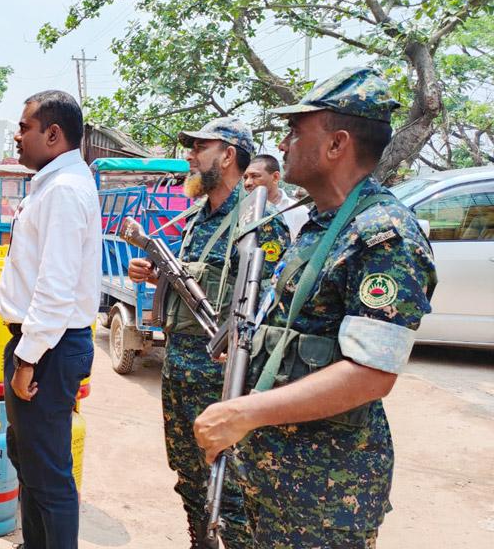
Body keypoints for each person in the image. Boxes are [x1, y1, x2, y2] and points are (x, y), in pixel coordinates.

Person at [194, 67, 438, 548]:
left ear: (336, 144)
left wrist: (243, 413)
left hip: (324, 494)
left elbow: (371, 373)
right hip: (276, 479)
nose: (283, 145)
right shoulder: (319, 225)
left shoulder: (382, 234)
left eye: (295, 132)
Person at [127, 117, 290, 549]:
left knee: (231, 489)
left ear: (229, 155)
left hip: (222, 381)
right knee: (189, 477)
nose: (190, 156)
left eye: (200, 147)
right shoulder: (198, 218)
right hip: (179, 368)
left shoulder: (259, 223)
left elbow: (270, 307)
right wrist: (149, 273)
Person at [0, 90, 101, 549]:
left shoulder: (63, 191)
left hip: (48, 348)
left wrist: (28, 359)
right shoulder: (55, 185)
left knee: (50, 474)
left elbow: (55, 289)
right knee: (31, 462)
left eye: (24, 128)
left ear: (53, 134)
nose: (17, 137)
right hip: (41, 344)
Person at [243, 153, 309, 237]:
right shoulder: (242, 211)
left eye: (255, 176)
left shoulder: (298, 212)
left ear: (275, 177)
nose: (247, 183)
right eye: (245, 177)